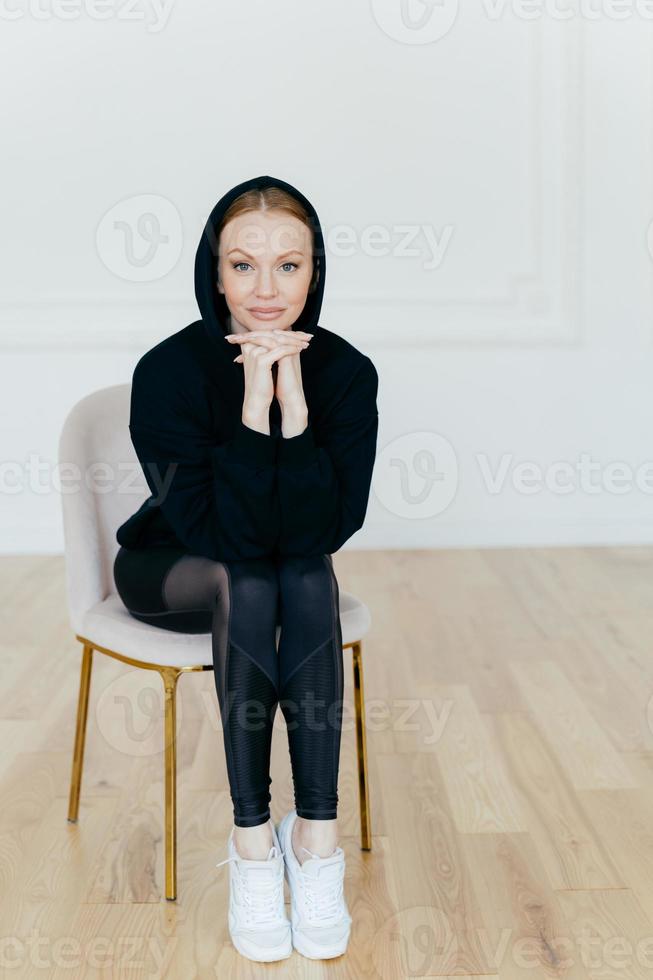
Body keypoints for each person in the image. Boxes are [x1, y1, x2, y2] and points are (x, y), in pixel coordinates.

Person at [113, 174, 379, 961]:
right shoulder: (166, 371)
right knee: (248, 574)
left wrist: (293, 414)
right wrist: (247, 407)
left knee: (298, 575)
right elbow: (213, 529)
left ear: (315, 271)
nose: (266, 290)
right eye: (243, 266)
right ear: (213, 269)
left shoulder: (344, 373)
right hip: (171, 564)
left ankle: (316, 842)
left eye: (288, 266)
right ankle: (252, 843)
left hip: (277, 567)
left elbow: (325, 530)